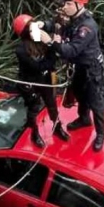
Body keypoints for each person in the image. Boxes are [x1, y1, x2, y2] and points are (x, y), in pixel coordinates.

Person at [50, 0, 104, 152]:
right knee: (79, 92)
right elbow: (57, 24)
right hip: (79, 66)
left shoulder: (87, 27)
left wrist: (53, 41)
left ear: (79, 4)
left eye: (68, 4)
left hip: (91, 68)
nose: (64, 7)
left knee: (96, 101)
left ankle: (101, 134)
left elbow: (71, 50)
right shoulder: (74, 19)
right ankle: (84, 118)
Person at [12, 14, 69, 148]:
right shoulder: (21, 50)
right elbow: (39, 66)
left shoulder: (40, 37)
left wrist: (53, 41)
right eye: (31, 30)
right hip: (31, 83)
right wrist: (53, 49)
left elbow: (54, 24)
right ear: (25, 34)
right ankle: (34, 133)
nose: (35, 31)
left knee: (52, 105)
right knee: (33, 108)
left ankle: (57, 127)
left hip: (46, 80)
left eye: (34, 27)